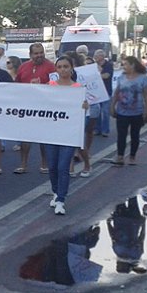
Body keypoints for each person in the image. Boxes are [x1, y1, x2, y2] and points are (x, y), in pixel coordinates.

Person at [45, 55, 88, 215]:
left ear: (71, 68)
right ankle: (56, 192)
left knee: (63, 167)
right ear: (56, 70)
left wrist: (85, 106)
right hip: (51, 132)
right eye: (60, 67)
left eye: (66, 66)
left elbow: (83, 112)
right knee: (52, 167)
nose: (63, 69)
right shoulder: (50, 85)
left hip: (68, 134)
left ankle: (61, 200)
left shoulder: (78, 88)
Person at [13, 43, 54, 174]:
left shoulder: (51, 66)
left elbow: (57, 85)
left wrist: (43, 85)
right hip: (27, 107)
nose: (39, 55)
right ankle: (23, 165)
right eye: (36, 53)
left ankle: (44, 164)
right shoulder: (23, 67)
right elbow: (16, 86)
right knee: (25, 137)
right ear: (30, 55)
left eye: (41, 52)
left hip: (45, 107)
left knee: (44, 138)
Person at [110, 56, 147, 166]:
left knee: (135, 135)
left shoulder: (143, 78)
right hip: (122, 111)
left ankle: (132, 156)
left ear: (133, 65)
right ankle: (120, 156)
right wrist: (112, 106)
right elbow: (116, 93)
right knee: (121, 135)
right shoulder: (121, 77)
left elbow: (146, 96)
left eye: (126, 64)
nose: (124, 67)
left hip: (137, 112)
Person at [93, 49, 113, 137]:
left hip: (106, 91)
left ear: (101, 57)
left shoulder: (108, 65)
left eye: (96, 56)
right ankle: (97, 129)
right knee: (97, 111)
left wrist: (97, 75)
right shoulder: (94, 65)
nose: (95, 58)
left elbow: (107, 75)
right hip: (97, 92)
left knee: (105, 111)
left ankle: (105, 130)